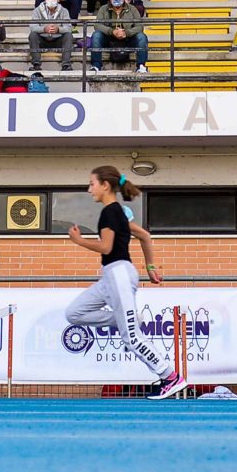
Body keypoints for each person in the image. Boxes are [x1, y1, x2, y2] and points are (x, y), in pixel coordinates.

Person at [63, 165, 186, 400]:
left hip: (119, 273)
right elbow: (145, 236)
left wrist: (78, 240)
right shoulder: (116, 212)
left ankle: (170, 377)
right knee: (74, 313)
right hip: (109, 277)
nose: (89, 189)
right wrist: (150, 267)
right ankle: (128, 319)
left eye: (92, 184)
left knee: (131, 338)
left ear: (105, 185)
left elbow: (106, 247)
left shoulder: (110, 213)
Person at [91, 0, 148, 73]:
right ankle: (96, 65)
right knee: (96, 35)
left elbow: (140, 26)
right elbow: (97, 25)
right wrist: (112, 31)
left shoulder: (132, 9)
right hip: (109, 39)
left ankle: (141, 66)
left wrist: (126, 33)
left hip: (128, 39)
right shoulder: (103, 9)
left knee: (141, 36)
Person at [29, 0, 74, 72]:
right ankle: (36, 65)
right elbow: (33, 27)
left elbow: (68, 28)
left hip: (58, 40)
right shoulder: (37, 10)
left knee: (68, 36)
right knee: (33, 35)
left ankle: (66, 65)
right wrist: (44, 29)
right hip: (42, 40)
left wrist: (58, 29)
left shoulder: (64, 11)